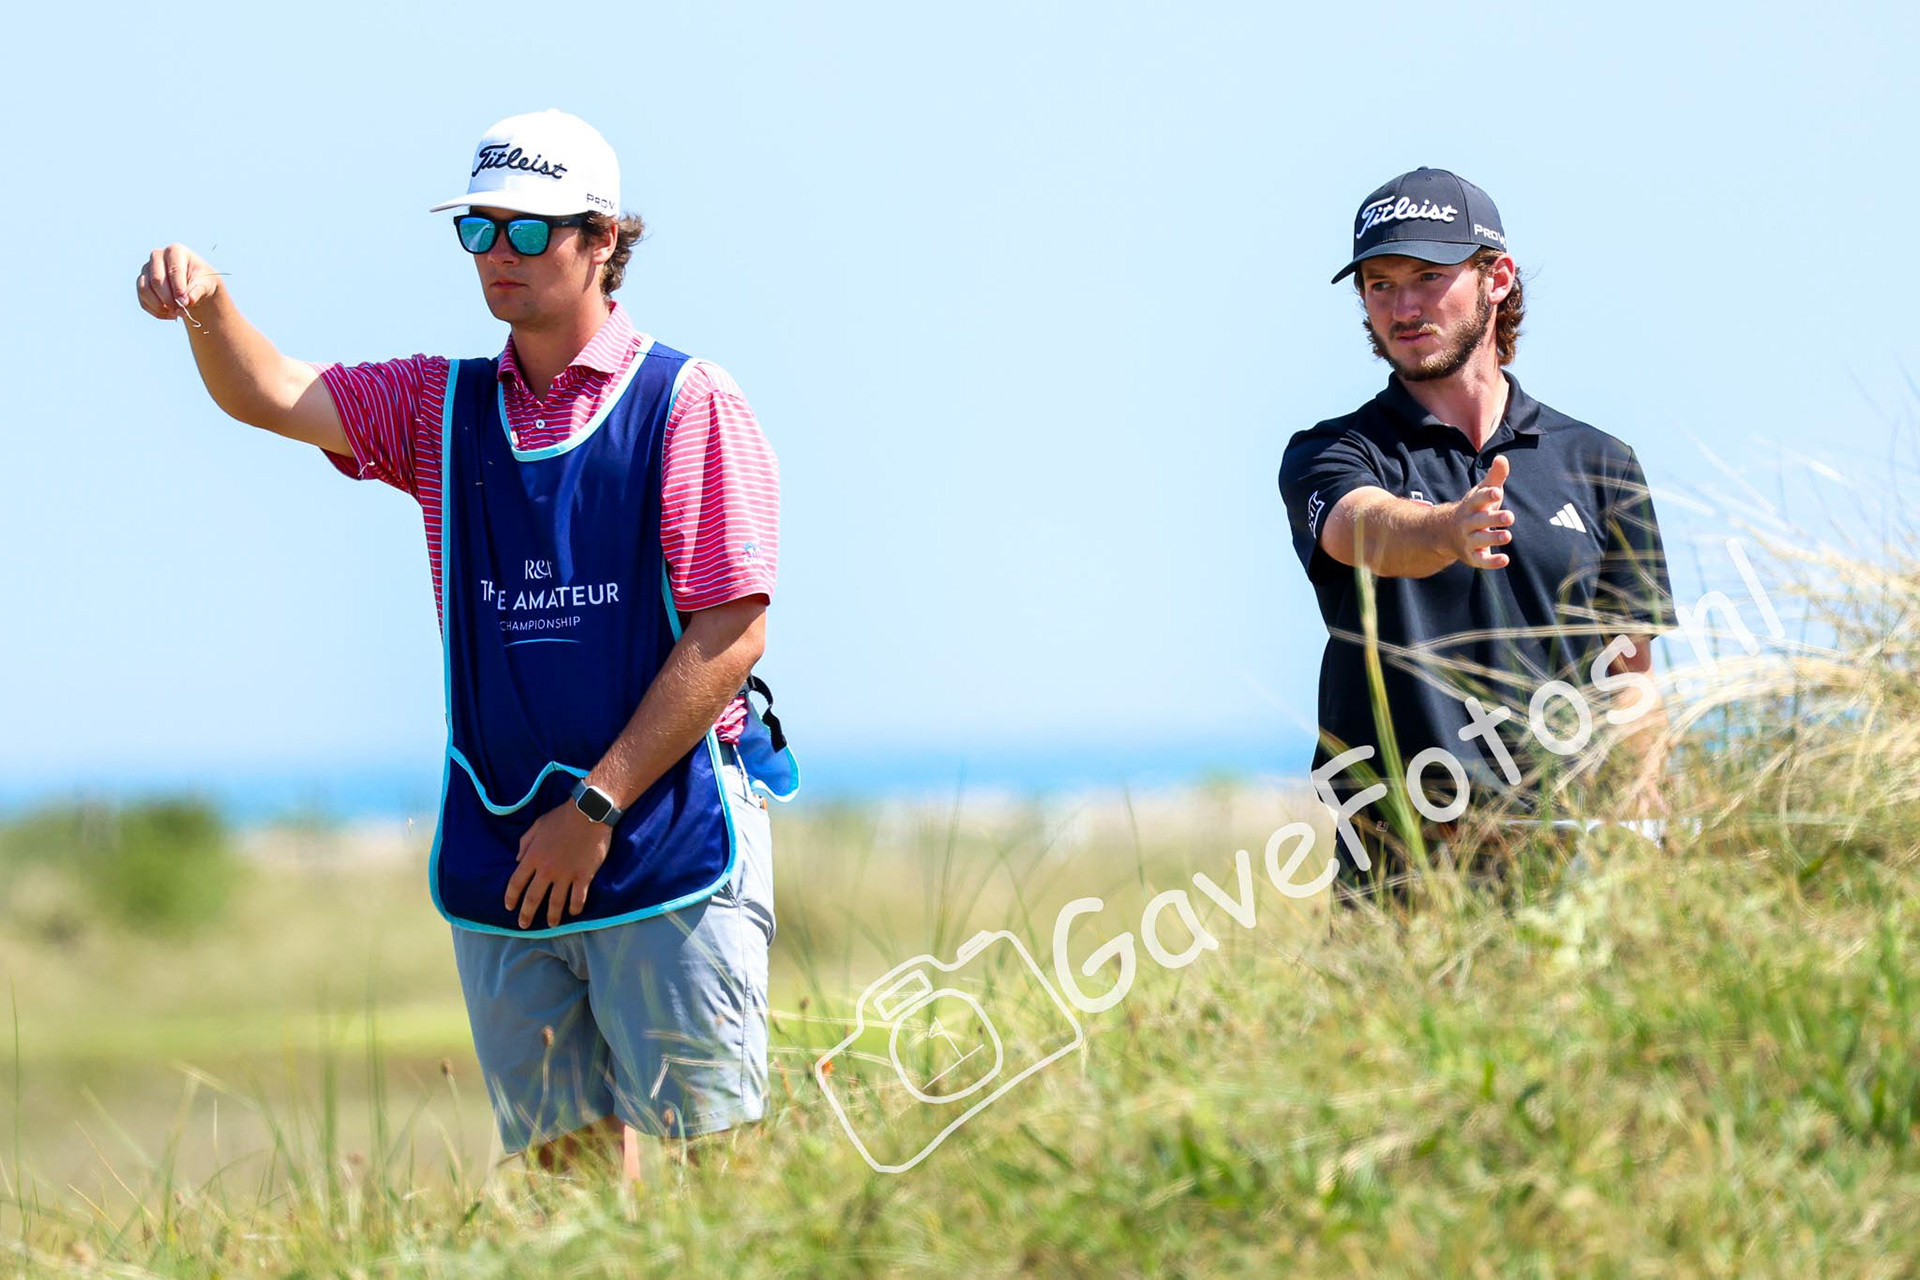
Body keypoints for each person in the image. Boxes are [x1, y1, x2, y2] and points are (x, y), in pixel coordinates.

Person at [136, 109, 798, 1172]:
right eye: (481, 229)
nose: (500, 254)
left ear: (600, 238)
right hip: (505, 841)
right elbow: (268, 392)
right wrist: (209, 308)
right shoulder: (436, 407)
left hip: (663, 831)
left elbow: (732, 630)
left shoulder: (687, 401)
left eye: (530, 232)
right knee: (561, 1184)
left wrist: (595, 804)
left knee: (720, 1169)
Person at [1277, 167, 1673, 899]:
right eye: (1380, 284)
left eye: (1428, 276)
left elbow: (1631, 676)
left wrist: (1647, 815)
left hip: (1569, 860)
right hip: (1401, 863)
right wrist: (1445, 529)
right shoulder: (1332, 452)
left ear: (1497, 279)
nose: (1403, 306)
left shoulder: (1600, 463)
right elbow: (1361, 526)